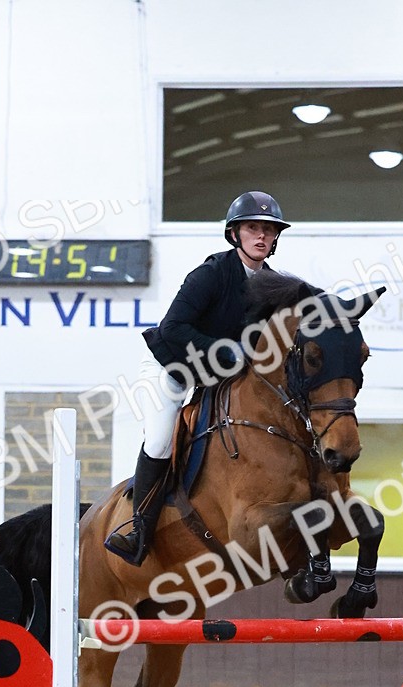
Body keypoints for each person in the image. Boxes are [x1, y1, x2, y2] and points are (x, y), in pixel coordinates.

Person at [106, 190, 290, 564]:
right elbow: (173, 327)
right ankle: (139, 526)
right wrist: (228, 350)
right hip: (171, 368)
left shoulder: (274, 286)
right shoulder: (210, 274)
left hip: (217, 378)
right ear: (235, 234)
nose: (261, 237)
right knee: (160, 439)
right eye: (252, 228)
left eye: (269, 231)